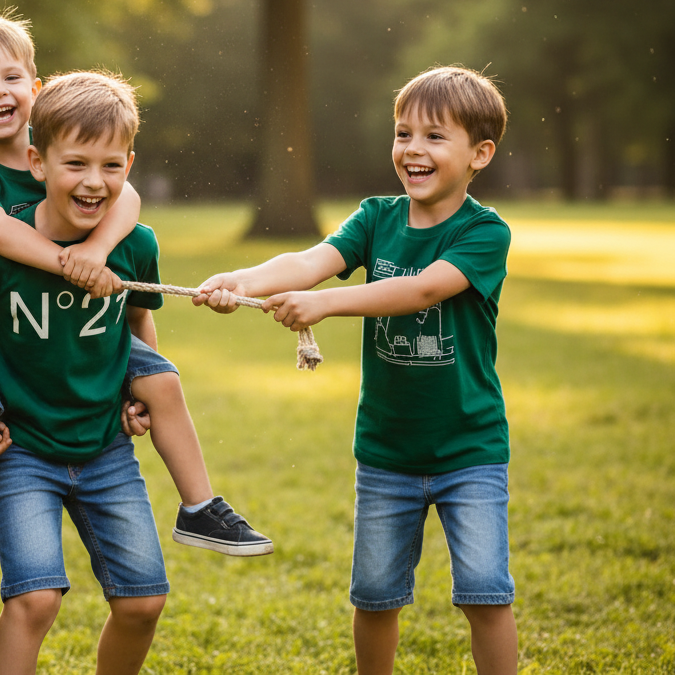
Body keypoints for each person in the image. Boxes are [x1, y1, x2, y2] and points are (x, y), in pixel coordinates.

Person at [0, 13, 271, 607]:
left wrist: (96, 250)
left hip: (82, 313)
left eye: (11, 77)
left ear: (35, 88)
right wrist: (71, 264)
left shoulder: (70, 141)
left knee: (162, 380)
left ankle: (200, 506)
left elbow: (127, 196)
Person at [196, 66, 517, 675]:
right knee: (374, 596)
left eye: (433, 137)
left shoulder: (484, 232)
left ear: (480, 153)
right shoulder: (376, 218)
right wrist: (241, 281)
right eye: (403, 134)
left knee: (484, 592)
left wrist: (326, 303)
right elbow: (312, 260)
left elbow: (424, 291)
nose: (412, 149)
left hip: (469, 450)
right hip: (386, 453)